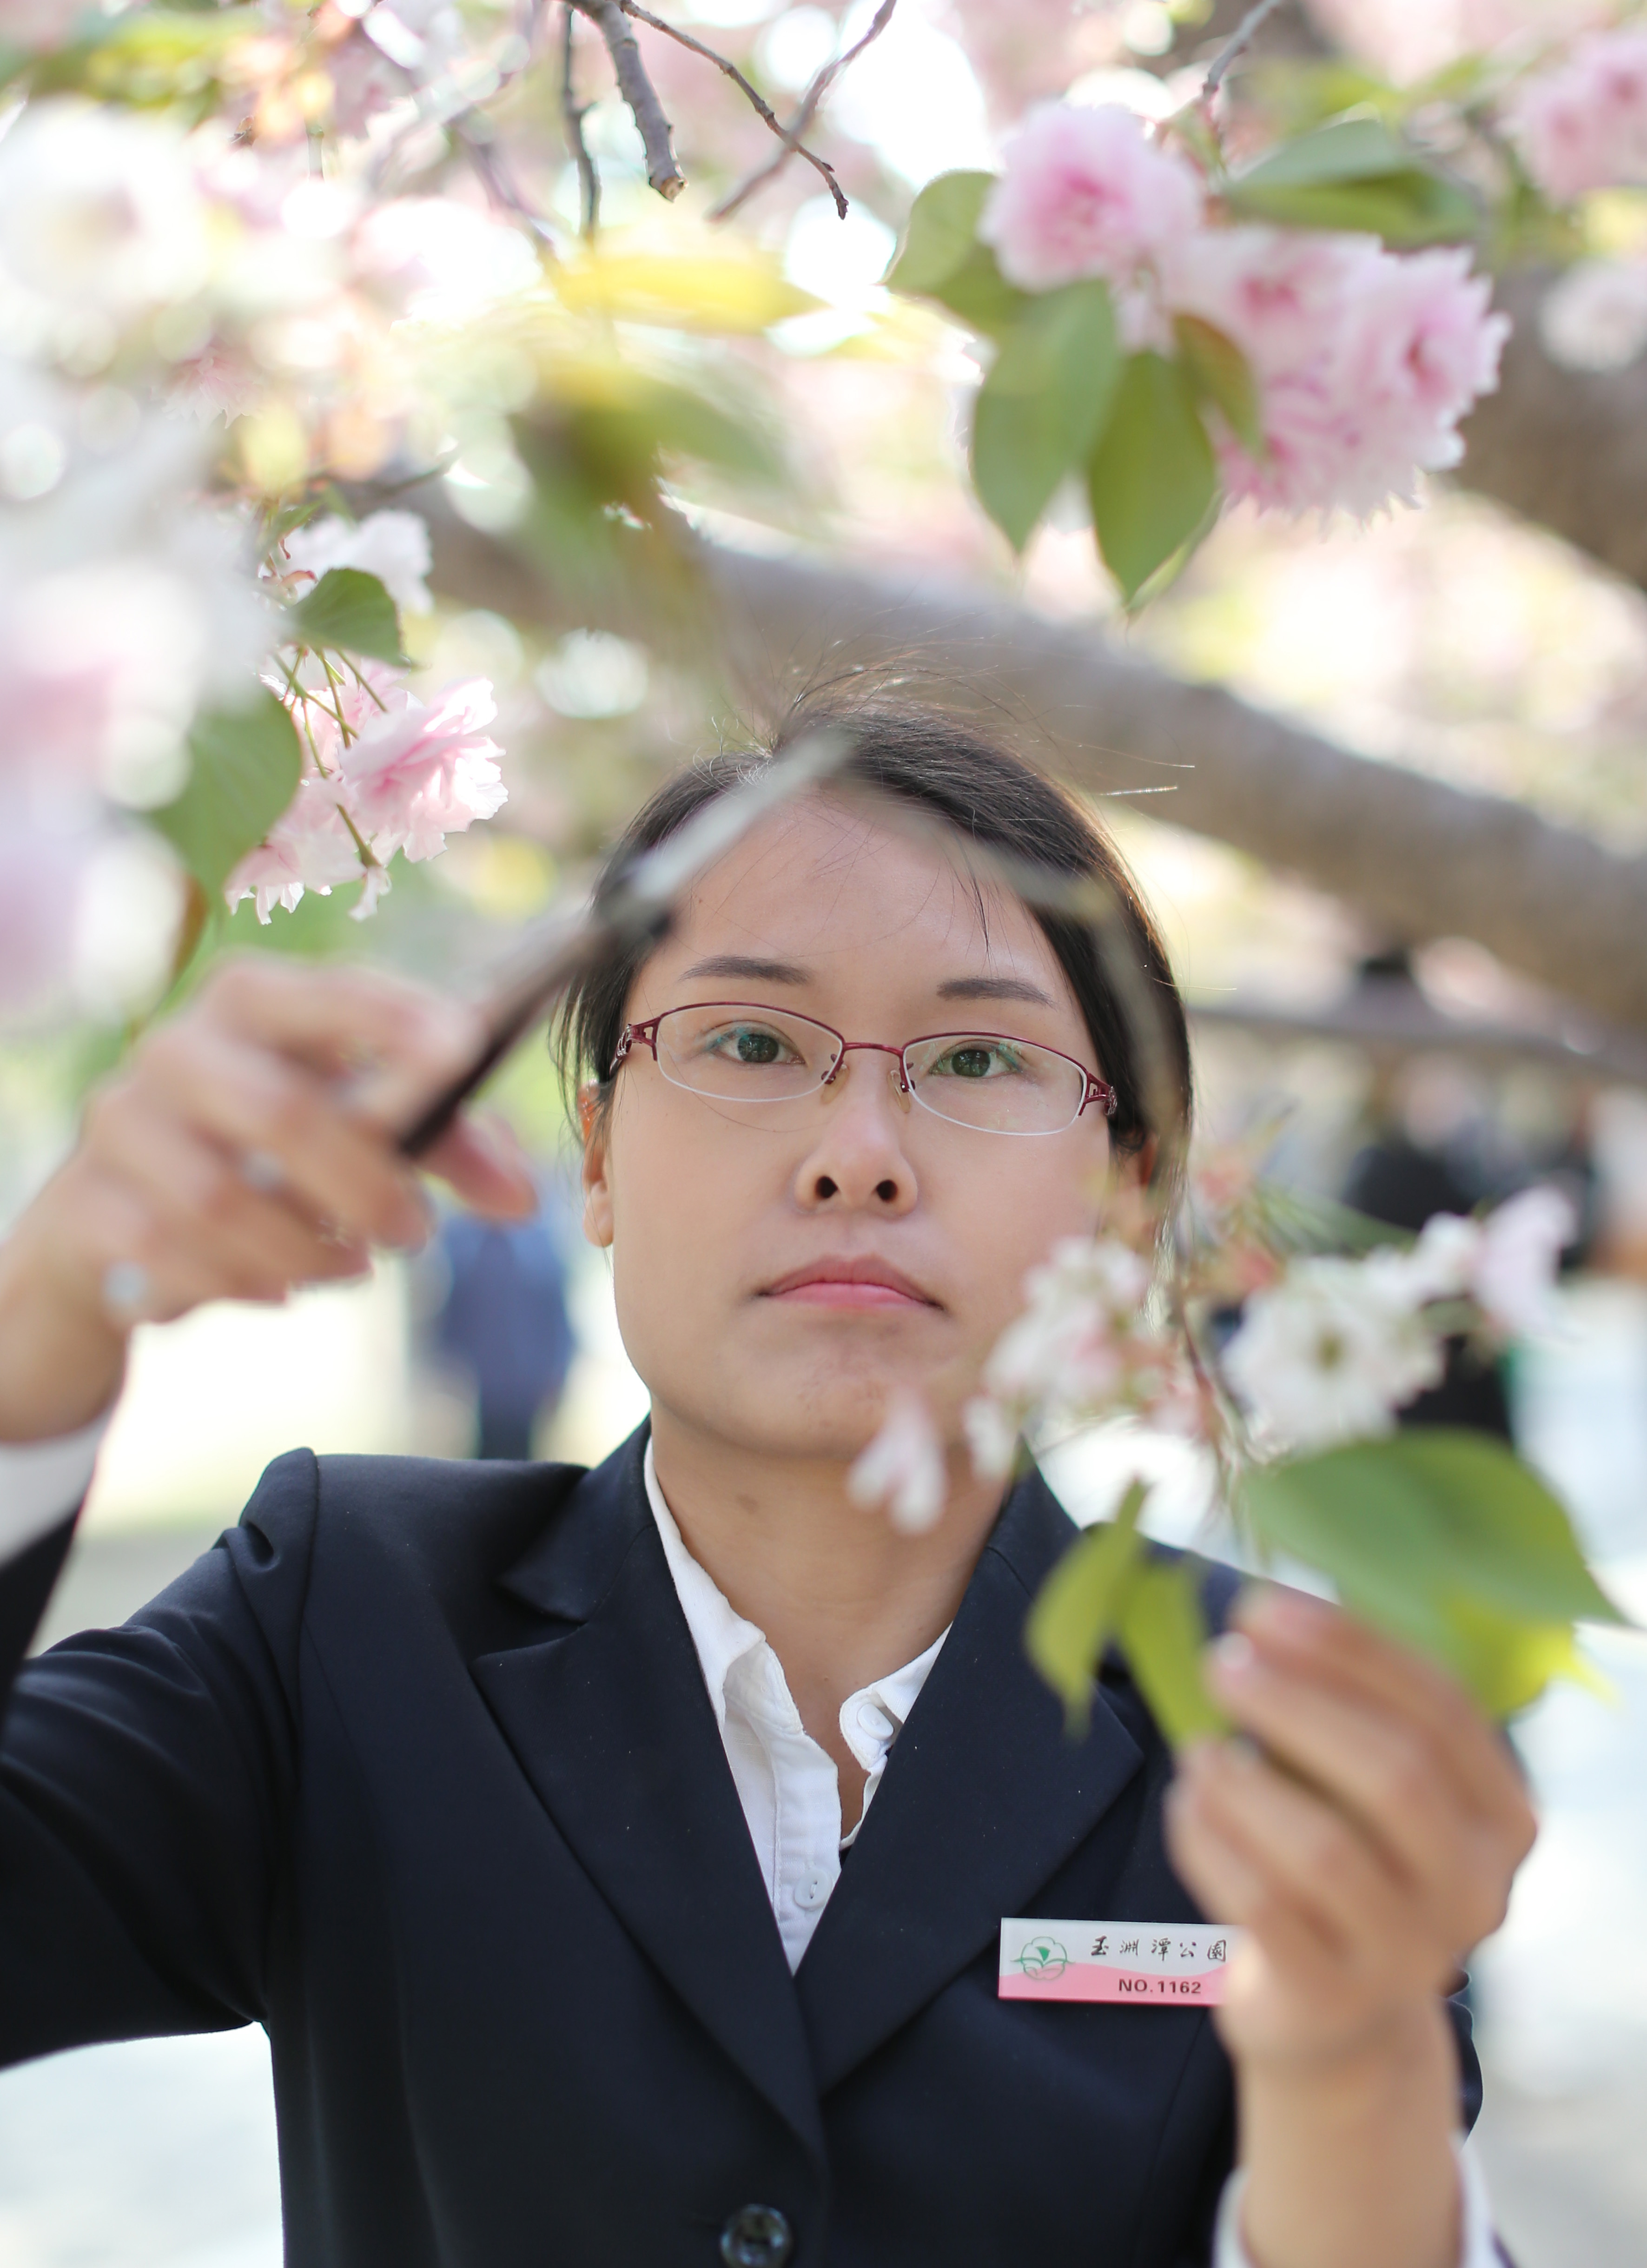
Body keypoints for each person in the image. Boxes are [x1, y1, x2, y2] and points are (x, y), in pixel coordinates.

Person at [0, 703, 1533, 2268]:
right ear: (598, 1152)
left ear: (1127, 1192)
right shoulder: (340, 1622)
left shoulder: (1278, 1732)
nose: (857, 1154)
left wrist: (1352, 2068)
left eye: (979, 1058)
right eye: (749, 1042)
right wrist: (33, 1338)